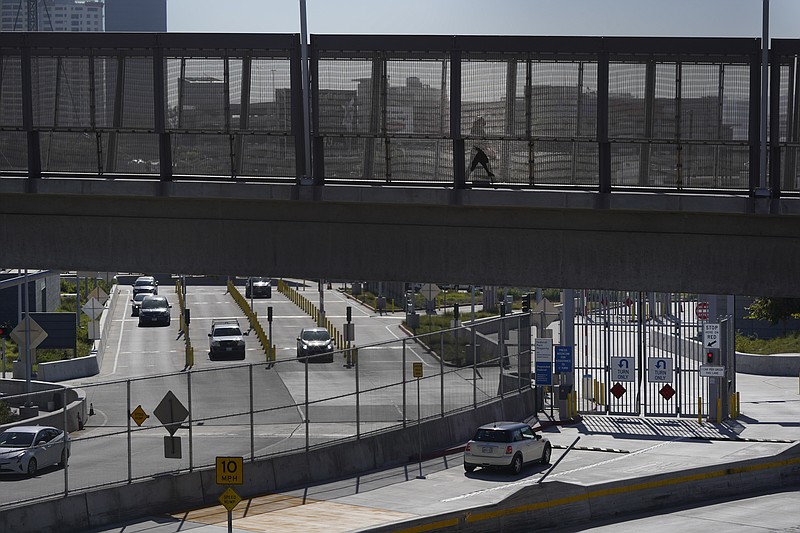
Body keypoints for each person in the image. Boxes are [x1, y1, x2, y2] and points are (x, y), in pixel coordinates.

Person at [468, 116, 495, 181]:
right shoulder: (475, 130)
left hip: (480, 151)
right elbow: (476, 141)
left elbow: (485, 140)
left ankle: (493, 179)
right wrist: (485, 148)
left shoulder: (480, 130)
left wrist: (488, 148)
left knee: (485, 165)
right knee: (472, 166)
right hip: (477, 151)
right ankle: (493, 180)